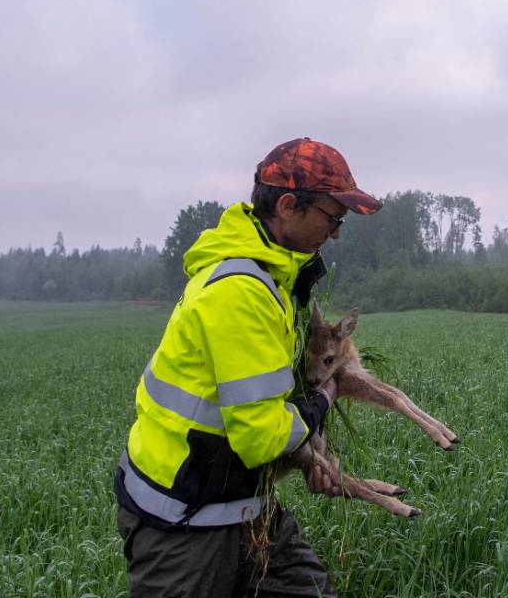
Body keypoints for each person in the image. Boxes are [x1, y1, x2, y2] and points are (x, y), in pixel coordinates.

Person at [115, 137, 381, 597]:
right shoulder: (240, 290)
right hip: (182, 520)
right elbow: (261, 435)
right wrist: (324, 398)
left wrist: (313, 458)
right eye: (332, 218)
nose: (336, 233)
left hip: (244, 505)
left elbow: (267, 396)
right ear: (288, 205)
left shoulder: (276, 279)